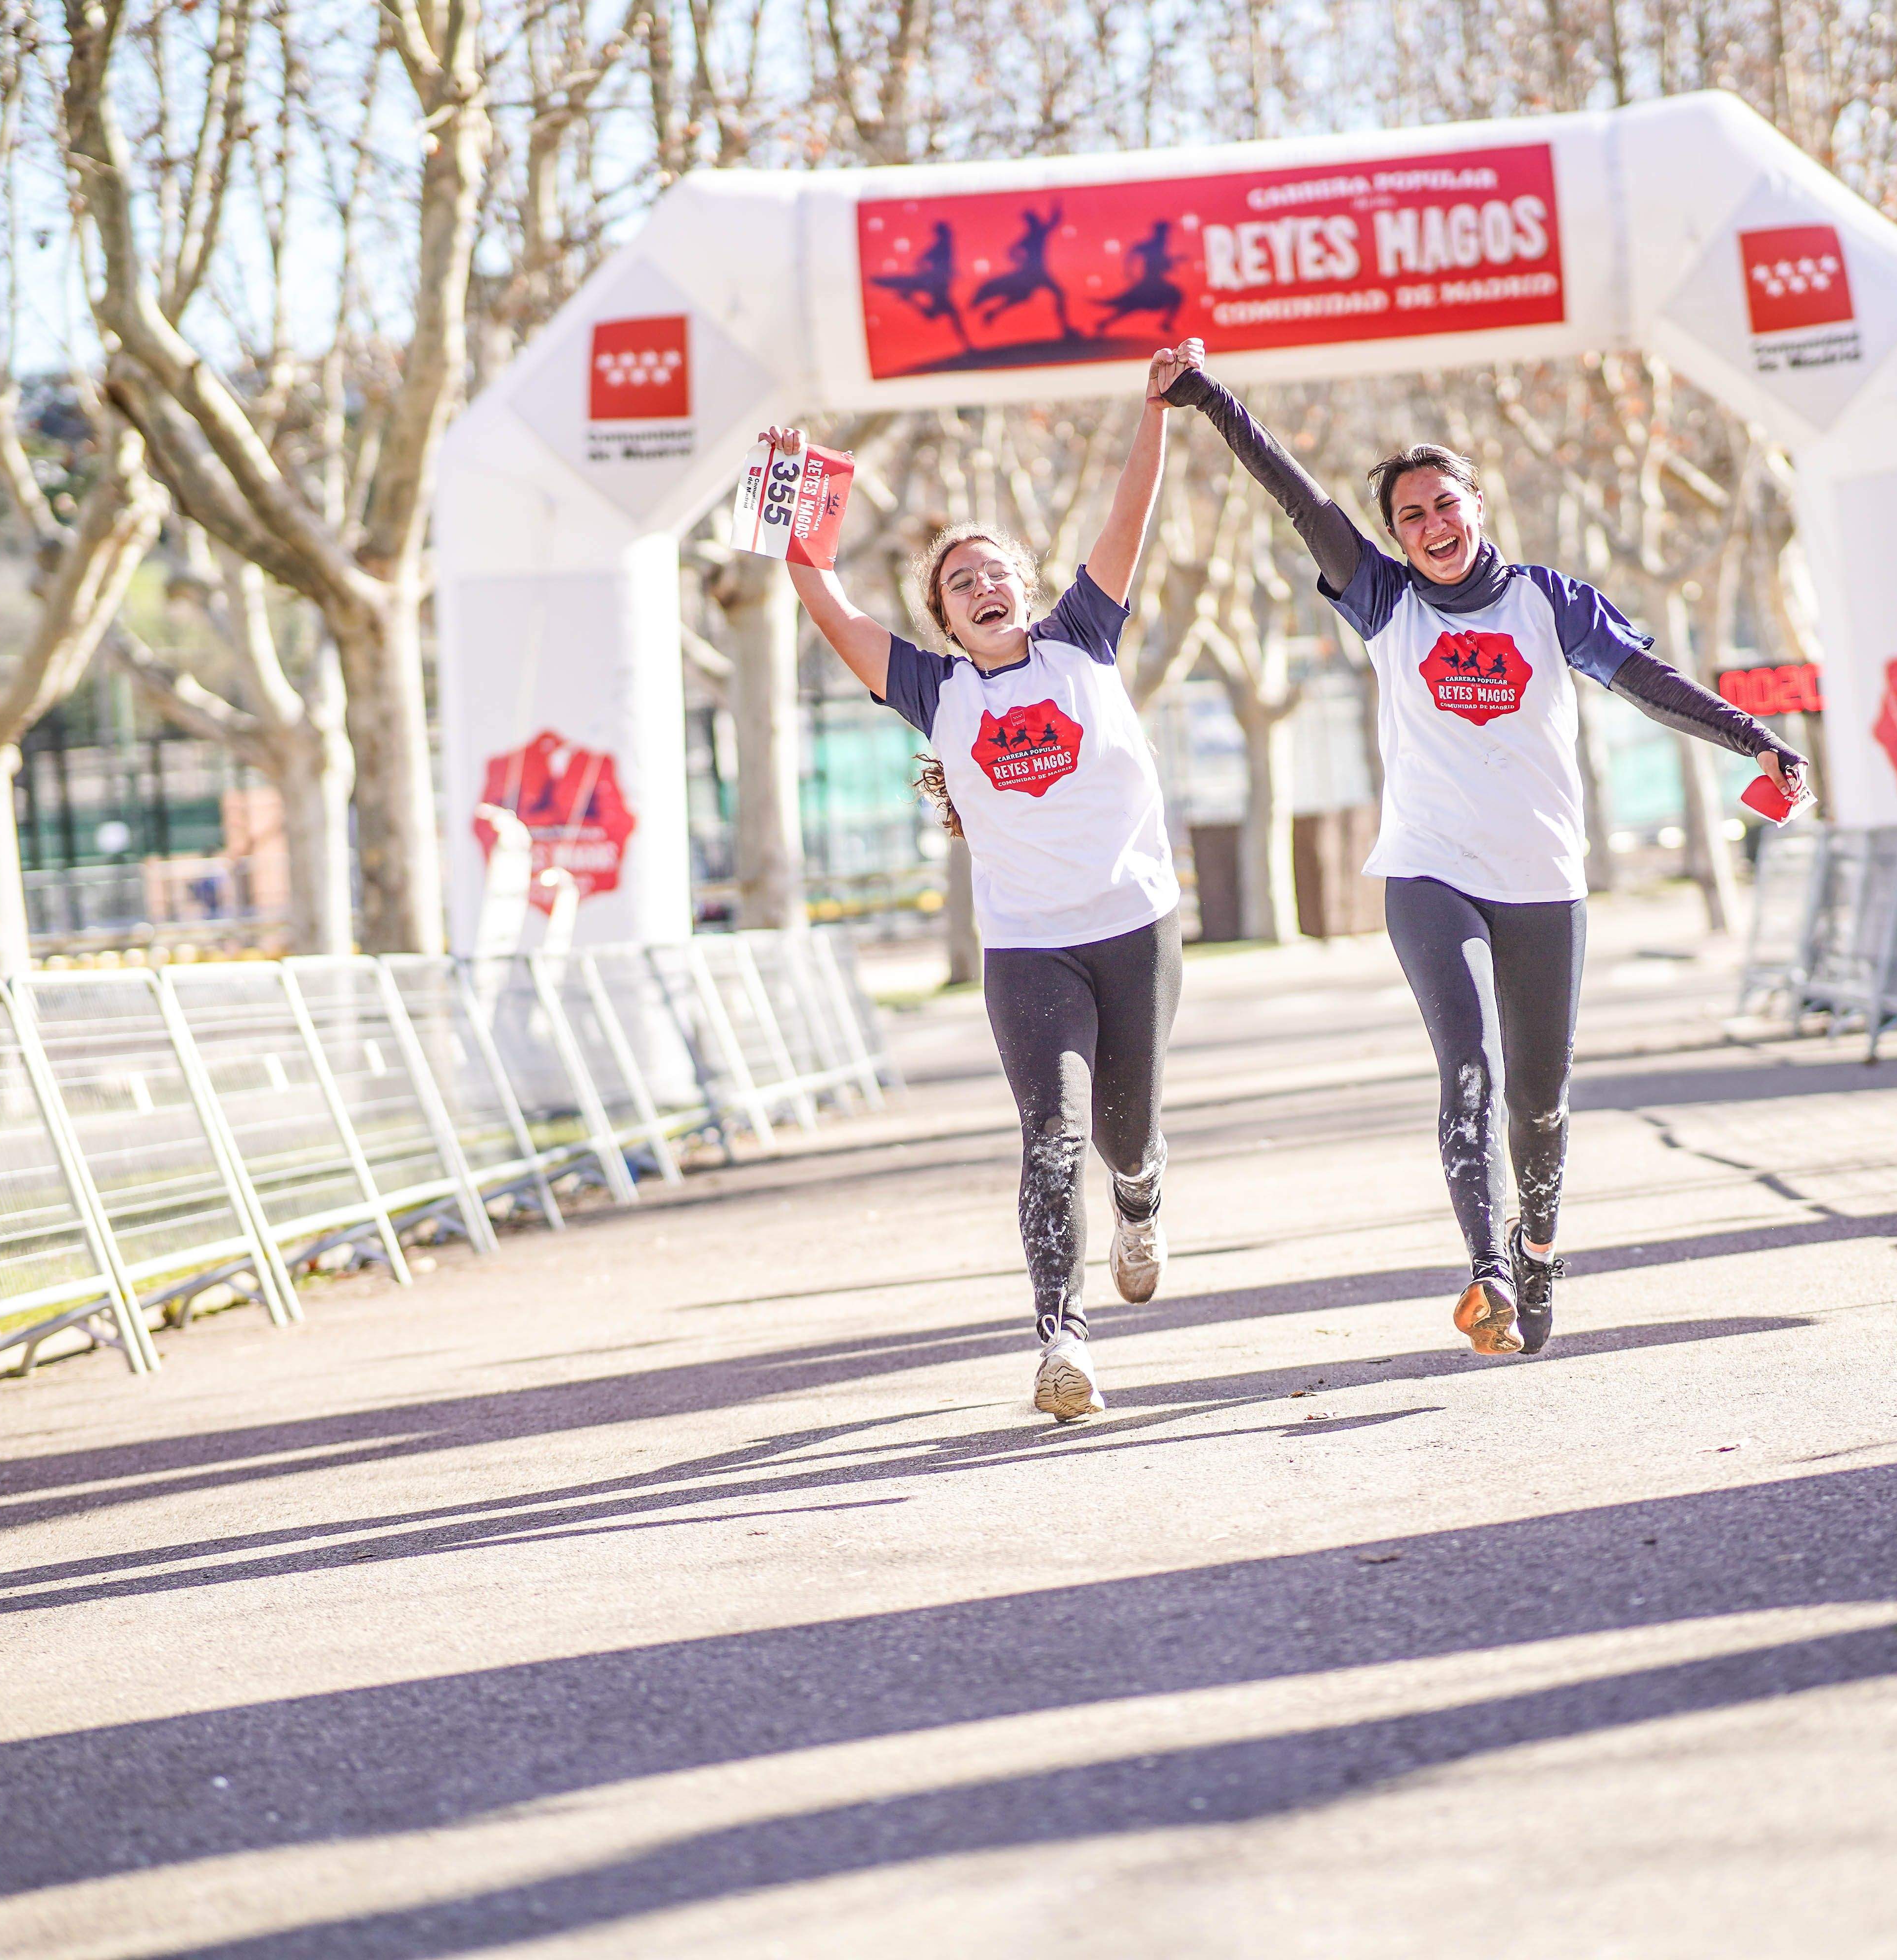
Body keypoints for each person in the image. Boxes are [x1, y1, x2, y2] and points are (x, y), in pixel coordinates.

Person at [1158, 348, 1806, 1358]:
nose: (1431, 528)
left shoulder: (1550, 603)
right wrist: (1209, 398)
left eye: (1443, 506)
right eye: (1410, 518)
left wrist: (1754, 737)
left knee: (1540, 1101)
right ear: (1395, 538)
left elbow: (1648, 682)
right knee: (1470, 1070)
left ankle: (1537, 1246)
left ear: (1477, 504)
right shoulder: (1384, 603)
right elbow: (1298, 495)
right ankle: (1488, 1274)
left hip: (1544, 878)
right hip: (1430, 870)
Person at [765, 350, 1183, 1422]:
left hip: (1134, 925)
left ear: (1025, 591)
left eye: (996, 572)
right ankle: (1063, 1342)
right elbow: (822, 592)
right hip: (1029, 947)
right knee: (1050, 1136)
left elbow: (1131, 509)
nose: (984, 587)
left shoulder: (1084, 638)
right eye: (961, 582)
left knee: (1123, 1133)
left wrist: (1156, 411)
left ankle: (1140, 1194)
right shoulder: (930, 687)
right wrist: (788, 497)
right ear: (945, 620)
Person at [973, 206, 1079, 342]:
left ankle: (1066, 329)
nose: (1038, 220)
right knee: (1029, 296)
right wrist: (1020, 261)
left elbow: (1054, 222)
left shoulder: (1037, 233)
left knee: (1028, 297)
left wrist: (1056, 207)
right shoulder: (1032, 235)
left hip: (1040, 273)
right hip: (1034, 273)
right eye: (1034, 219)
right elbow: (1011, 251)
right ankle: (1066, 329)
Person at [871, 221, 973, 353]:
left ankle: (909, 299)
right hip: (939, 286)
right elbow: (920, 261)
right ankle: (967, 346)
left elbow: (945, 264)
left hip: (942, 285)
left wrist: (951, 272)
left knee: (936, 315)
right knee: (951, 314)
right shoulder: (940, 247)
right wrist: (930, 275)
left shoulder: (947, 246)